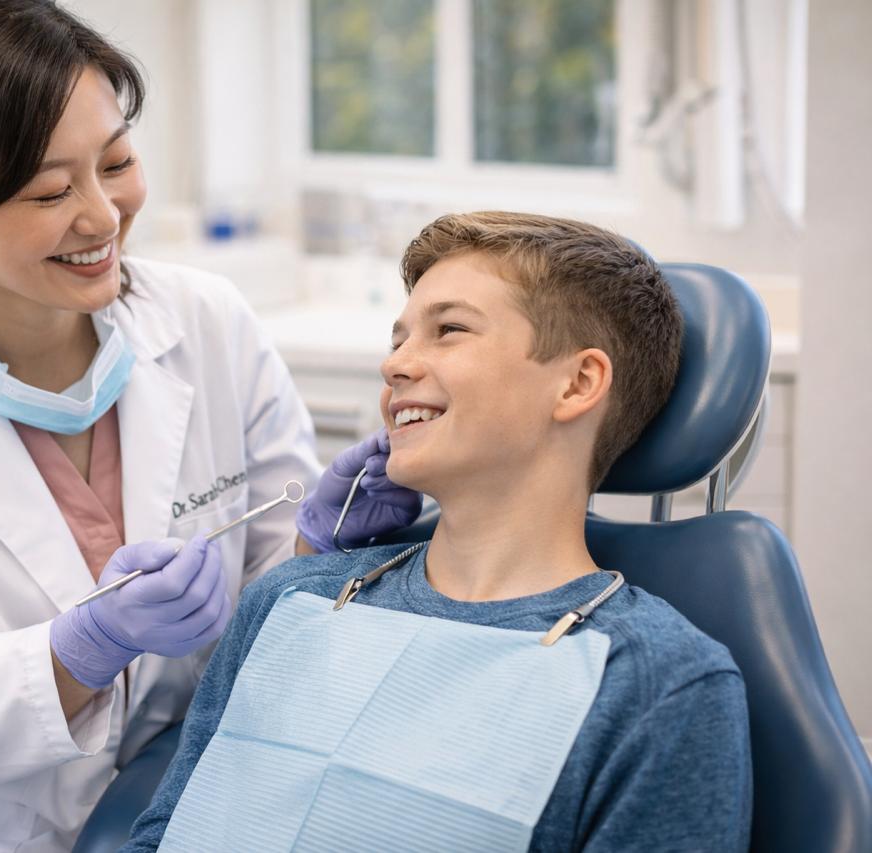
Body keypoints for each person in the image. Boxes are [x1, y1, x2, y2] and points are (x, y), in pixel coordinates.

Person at [0, 1, 420, 849]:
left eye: (116, 162)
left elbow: (268, 593)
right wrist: (87, 643)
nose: (104, 215)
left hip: (171, 804)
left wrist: (313, 547)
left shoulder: (208, 322)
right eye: (51, 191)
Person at [123, 212, 753, 852]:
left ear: (578, 382)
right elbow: (163, 835)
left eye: (448, 330)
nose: (395, 364)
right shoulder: (292, 598)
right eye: (398, 339)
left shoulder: (657, 684)